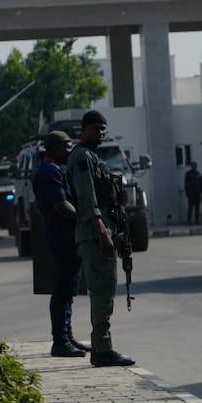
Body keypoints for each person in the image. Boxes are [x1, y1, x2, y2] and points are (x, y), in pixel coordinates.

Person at [67, 110, 135, 367]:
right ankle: (102, 349)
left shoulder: (93, 157)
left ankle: (102, 346)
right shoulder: (83, 158)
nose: (101, 133)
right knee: (102, 291)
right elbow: (88, 201)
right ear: (84, 130)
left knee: (106, 289)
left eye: (104, 129)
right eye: (96, 128)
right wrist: (103, 233)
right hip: (94, 234)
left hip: (100, 232)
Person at [34, 130, 88, 358]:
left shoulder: (53, 169)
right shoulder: (49, 172)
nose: (69, 151)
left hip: (65, 236)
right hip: (62, 236)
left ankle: (67, 335)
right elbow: (62, 206)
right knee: (63, 290)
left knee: (68, 290)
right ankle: (60, 340)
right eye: (66, 147)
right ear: (54, 147)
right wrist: (86, 217)